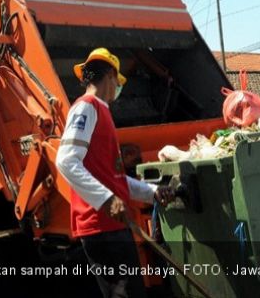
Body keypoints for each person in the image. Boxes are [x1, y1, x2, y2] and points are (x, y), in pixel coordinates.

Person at [56, 48, 174, 298]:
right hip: (101, 227)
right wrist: (106, 200)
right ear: (110, 74)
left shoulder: (101, 112)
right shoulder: (86, 108)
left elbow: (116, 178)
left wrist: (152, 192)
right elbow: (66, 161)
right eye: (118, 82)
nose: (118, 90)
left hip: (112, 226)